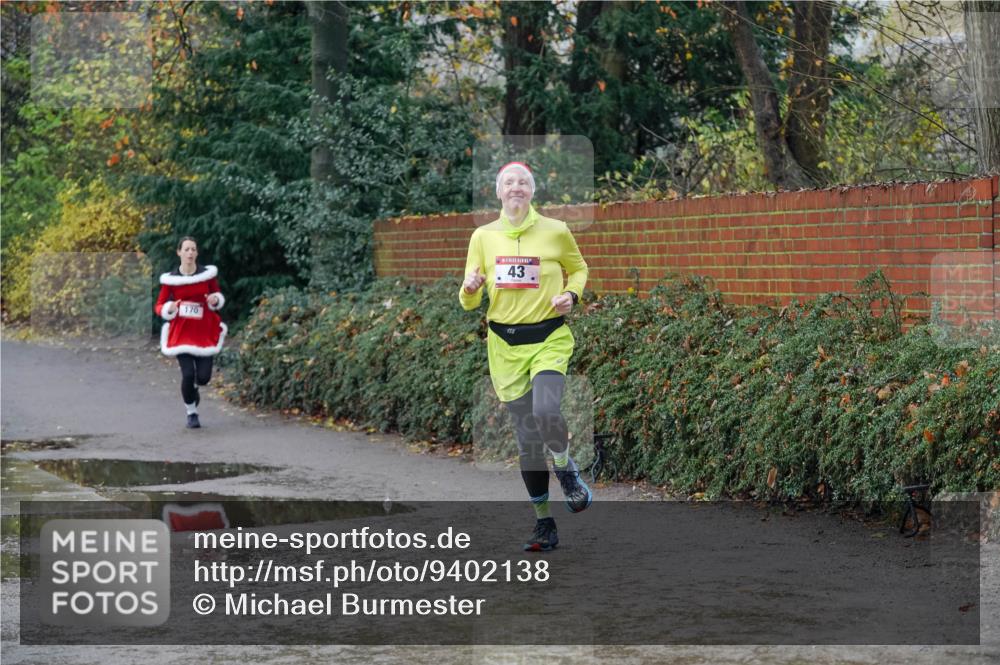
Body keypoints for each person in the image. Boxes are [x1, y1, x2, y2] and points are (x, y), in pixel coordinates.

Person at [459, 161, 591, 552]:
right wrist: (469, 287)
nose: (516, 187)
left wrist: (573, 295)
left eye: (523, 182)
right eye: (508, 182)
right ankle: (543, 523)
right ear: (498, 192)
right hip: (504, 347)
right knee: (528, 441)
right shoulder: (482, 237)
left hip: (549, 337)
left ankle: (566, 468)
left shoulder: (556, 231)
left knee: (546, 411)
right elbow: (468, 302)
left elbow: (579, 268)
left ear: (532, 191)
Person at [154, 237, 227, 429]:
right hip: (182, 334)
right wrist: (170, 306)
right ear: (179, 252)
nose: (190, 253)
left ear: (197, 253)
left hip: (204, 332)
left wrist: (214, 299)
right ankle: (191, 413)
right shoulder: (171, 280)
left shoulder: (207, 276)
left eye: (193, 249)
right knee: (187, 374)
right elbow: (159, 305)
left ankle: (194, 388)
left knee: (203, 377)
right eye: (186, 249)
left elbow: (218, 296)